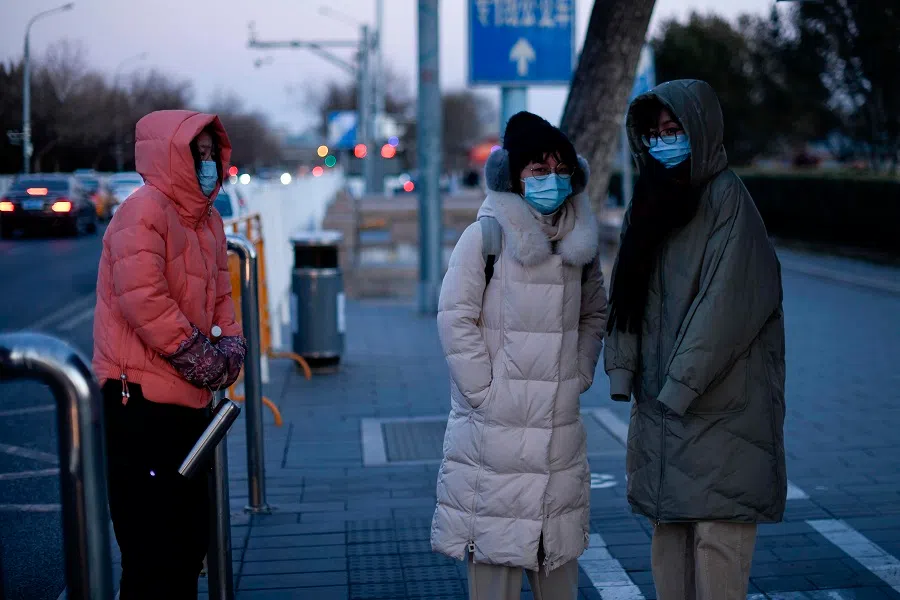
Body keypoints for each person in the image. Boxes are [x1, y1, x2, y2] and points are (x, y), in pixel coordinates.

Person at [604, 79, 786, 600]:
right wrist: (624, 368)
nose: (664, 141)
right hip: (664, 409)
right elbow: (627, 291)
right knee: (672, 546)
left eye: (675, 130)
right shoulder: (650, 201)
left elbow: (726, 310)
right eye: (655, 133)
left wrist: (676, 387)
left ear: (700, 132)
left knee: (716, 548)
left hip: (719, 411)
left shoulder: (729, 199)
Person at [431, 111, 608, 600]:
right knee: (496, 577)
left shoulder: (581, 245)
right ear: (515, 176)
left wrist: (580, 372)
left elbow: (596, 313)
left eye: (559, 168)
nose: (550, 179)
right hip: (496, 439)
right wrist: (485, 391)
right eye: (537, 170)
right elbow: (454, 317)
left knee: (559, 578)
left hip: (558, 437)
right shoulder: (485, 237)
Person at [92, 110, 247, 599]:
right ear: (169, 156)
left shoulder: (209, 220)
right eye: (195, 154)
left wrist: (230, 346)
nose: (206, 164)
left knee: (187, 542)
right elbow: (144, 297)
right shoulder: (143, 211)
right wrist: (199, 354)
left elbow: (223, 295)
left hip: (189, 404)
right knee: (151, 551)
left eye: (210, 154)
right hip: (138, 404)